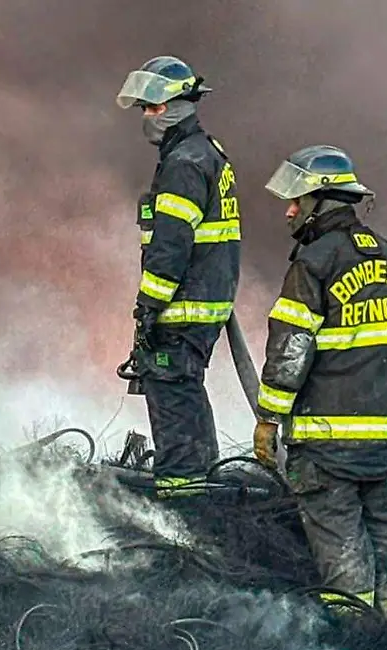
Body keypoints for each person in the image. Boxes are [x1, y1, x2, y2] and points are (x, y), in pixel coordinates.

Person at [250, 144, 387, 620]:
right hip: (385, 442)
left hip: (327, 446)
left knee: (341, 544)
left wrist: (268, 419)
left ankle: (356, 642)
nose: (290, 210)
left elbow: (290, 349)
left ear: (323, 201)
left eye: (297, 201)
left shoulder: (314, 263)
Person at [114, 56, 243, 498]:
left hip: (183, 306)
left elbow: (170, 248)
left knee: (171, 392)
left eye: (150, 108)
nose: (146, 118)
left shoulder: (185, 163)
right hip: (204, 303)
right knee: (185, 391)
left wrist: (147, 309)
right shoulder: (204, 153)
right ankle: (202, 483)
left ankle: (186, 500)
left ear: (173, 107)